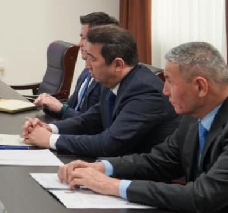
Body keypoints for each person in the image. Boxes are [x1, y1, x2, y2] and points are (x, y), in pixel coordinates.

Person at [58, 42, 228, 213]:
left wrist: (112, 186)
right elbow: (159, 161)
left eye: (170, 81)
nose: (165, 91)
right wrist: (103, 167)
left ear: (200, 86)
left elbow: (202, 196)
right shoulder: (193, 115)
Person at [23, 26, 179, 158]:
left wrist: (50, 140)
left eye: (92, 58)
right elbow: (90, 121)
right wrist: (49, 128)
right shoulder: (112, 81)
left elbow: (109, 144)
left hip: (144, 173)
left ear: (118, 65)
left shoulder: (145, 92)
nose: (87, 65)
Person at [34, 12, 118, 118]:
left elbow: (91, 122)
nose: (79, 44)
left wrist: (61, 108)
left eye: (84, 38)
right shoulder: (86, 72)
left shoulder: (107, 80)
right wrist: (49, 104)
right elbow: (71, 106)